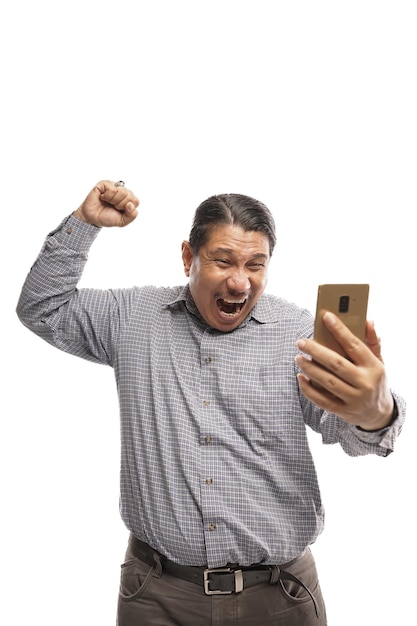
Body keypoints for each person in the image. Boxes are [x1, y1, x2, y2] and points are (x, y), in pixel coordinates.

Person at [16, 180, 405, 626]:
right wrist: (84, 224)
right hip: (157, 595)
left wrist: (376, 413)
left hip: (280, 597)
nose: (240, 282)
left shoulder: (297, 333)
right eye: (223, 261)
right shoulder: (131, 317)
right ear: (188, 258)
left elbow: (353, 435)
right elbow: (41, 308)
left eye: (256, 265)